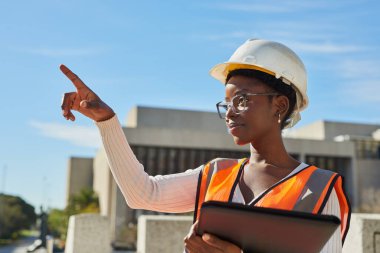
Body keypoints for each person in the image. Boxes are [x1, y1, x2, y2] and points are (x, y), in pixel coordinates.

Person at [60, 39, 351, 253]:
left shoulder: (320, 190)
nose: (230, 112)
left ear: (280, 105)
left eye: (242, 100)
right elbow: (142, 194)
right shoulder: (216, 175)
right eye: (227, 102)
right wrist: (106, 120)